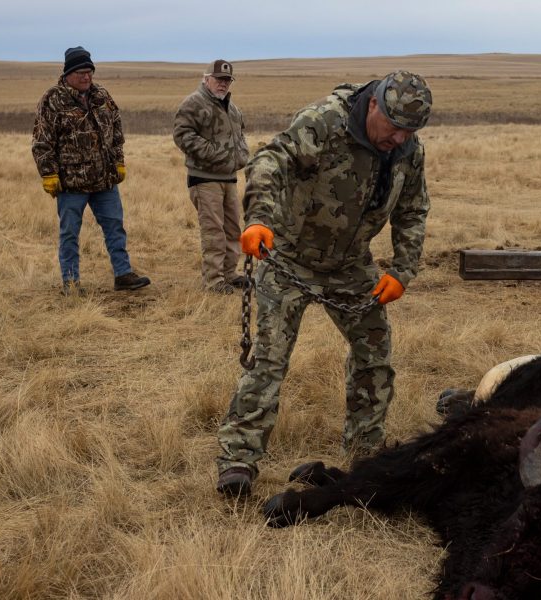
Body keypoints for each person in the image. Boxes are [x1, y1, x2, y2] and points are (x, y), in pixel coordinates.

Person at [215, 70, 432, 497]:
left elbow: (412, 209)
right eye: (394, 127)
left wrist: (402, 271)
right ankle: (239, 459)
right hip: (288, 259)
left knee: (375, 355)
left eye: (410, 131)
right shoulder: (323, 123)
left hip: (352, 267)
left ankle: (365, 450)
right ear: (374, 106)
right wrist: (258, 219)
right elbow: (269, 161)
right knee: (270, 361)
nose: (400, 138)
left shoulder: (407, 150)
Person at [32, 46, 151, 296]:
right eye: (81, 72)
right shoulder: (52, 99)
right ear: (68, 74)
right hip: (71, 184)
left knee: (115, 228)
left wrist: (118, 161)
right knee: (70, 234)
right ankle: (71, 284)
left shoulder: (102, 95)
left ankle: (123, 274)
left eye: (90, 71)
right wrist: (49, 174)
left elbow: (116, 131)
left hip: (105, 181)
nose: (86, 77)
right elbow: (42, 141)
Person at [173, 59, 250, 294]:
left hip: (228, 177)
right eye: (218, 79)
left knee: (232, 228)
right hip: (204, 179)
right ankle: (213, 280)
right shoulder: (194, 103)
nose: (223, 84)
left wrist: (241, 155)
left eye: (227, 80)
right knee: (213, 230)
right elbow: (182, 134)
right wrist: (214, 154)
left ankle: (229, 273)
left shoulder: (231, 107)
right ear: (206, 79)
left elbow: (240, 134)